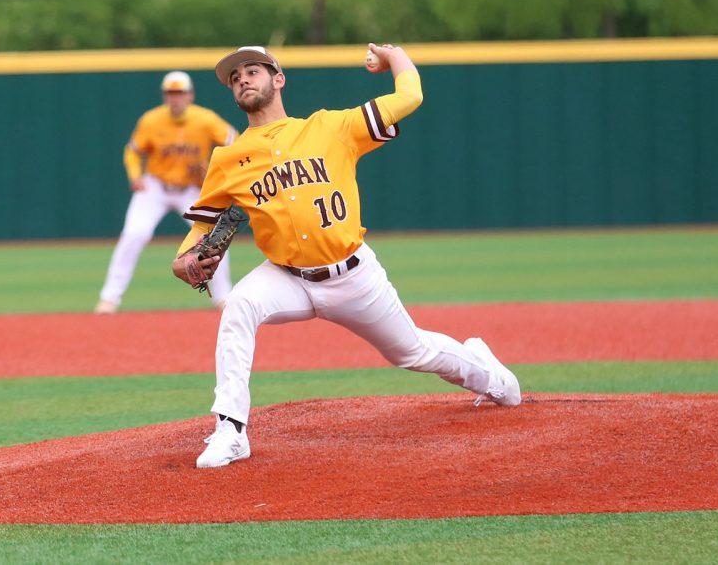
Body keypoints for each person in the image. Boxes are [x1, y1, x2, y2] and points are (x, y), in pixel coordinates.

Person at [172, 44, 522, 469]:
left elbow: (409, 97)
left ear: (278, 79)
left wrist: (395, 58)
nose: (242, 79)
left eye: (252, 71)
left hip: (352, 275)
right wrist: (182, 259)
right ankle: (230, 430)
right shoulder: (228, 159)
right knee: (239, 306)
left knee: (412, 353)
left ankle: (493, 377)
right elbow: (203, 227)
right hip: (286, 277)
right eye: (234, 77)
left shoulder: (330, 127)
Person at [96, 71, 236, 314]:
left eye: (180, 92)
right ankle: (109, 299)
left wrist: (215, 167)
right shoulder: (151, 120)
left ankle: (223, 298)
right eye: (171, 93)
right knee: (134, 234)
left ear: (190, 95)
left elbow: (235, 143)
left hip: (191, 189)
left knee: (213, 238)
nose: (175, 98)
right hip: (156, 187)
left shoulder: (206, 119)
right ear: (164, 96)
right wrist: (135, 176)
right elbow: (132, 151)